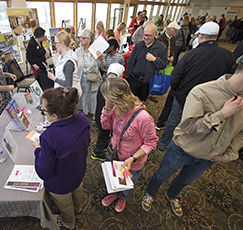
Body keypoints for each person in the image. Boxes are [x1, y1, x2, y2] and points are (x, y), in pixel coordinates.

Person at [142, 45, 243, 217]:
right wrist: (222, 114)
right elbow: (188, 128)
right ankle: (150, 193)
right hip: (183, 148)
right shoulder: (203, 91)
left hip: (209, 157)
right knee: (161, 174)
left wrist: (226, 155)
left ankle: (171, 195)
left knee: (185, 180)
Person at [158, 22, 235, 151]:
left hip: (184, 96)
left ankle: (164, 144)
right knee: (200, 125)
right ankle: (188, 147)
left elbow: (175, 77)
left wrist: (178, 91)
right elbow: (230, 80)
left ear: (201, 36)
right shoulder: (228, 56)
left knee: (174, 122)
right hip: (210, 102)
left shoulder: (191, 54)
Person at [33, 86, 90, 230]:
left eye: (44, 110)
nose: (43, 112)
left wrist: (38, 150)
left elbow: (44, 172)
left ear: (55, 116)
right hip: (78, 172)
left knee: (65, 206)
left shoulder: (49, 136)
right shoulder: (83, 120)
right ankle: (78, 209)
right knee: (77, 193)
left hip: (60, 183)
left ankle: (69, 223)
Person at [100, 76, 158, 212]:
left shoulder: (143, 118)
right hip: (116, 155)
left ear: (116, 97)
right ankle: (114, 194)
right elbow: (105, 126)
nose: (107, 101)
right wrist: (107, 109)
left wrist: (132, 158)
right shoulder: (115, 108)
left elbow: (151, 143)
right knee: (115, 180)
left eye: (108, 99)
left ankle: (123, 198)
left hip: (133, 161)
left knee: (126, 185)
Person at [91, 40, 125, 161]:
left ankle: (101, 149)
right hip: (106, 120)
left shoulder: (103, 85)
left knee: (102, 135)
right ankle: (98, 152)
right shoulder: (114, 90)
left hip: (100, 117)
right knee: (103, 136)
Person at [126, 24, 168, 102]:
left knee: (141, 102)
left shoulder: (161, 47)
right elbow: (131, 60)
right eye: (145, 35)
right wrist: (128, 74)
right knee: (129, 101)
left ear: (155, 34)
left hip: (146, 82)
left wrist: (155, 60)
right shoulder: (139, 45)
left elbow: (164, 65)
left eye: (148, 35)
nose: (146, 37)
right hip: (133, 79)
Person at [155, 22, 180, 131]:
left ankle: (161, 87)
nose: (176, 32)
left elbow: (173, 49)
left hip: (169, 63)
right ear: (169, 29)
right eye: (175, 30)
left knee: (166, 77)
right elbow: (158, 53)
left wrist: (172, 57)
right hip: (162, 62)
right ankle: (157, 88)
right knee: (158, 77)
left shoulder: (173, 39)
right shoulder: (160, 39)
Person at [75, 29, 105, 117]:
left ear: (89, 40)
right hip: (82, 78)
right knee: (84, 95)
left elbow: (102, 65)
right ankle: (84, 111)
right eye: (80, 37)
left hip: (94, 78)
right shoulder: (77, 52)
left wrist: (100, 58)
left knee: (93, 96)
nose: (81, 39)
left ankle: (93, 113)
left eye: (84, 38)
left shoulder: (96, 50)